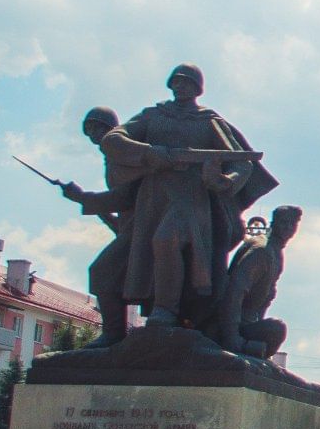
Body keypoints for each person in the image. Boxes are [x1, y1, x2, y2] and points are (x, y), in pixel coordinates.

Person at [100, 64, 276, 339]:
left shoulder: (208, 121)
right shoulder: (153, 115)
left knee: (166, 240)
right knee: (137, 254)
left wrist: (224, 181)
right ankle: (136, 322)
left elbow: (241, 162)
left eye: (187, 83)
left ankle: (165, 309)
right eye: (176, 82)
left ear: (197, 88)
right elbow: (113, 139)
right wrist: (151, 153)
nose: (180, 87)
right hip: (154, 197)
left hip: (191, 198)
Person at [59, 106, 142, 347]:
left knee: (102, 271)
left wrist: (83, 198)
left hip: (143, 227)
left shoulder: (123, 155)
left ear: (109, 128)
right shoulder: (114, 156)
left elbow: (126, 196)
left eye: (95, 128)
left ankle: (114, 333)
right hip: (131, 227)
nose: (93, 135)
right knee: (110, 275)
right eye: (89, 131)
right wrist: (94, 206)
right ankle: (115, 333)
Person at [220, 204, 301, 358]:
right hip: (232, 325)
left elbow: (265, 299)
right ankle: (246, 350)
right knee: (277, 329)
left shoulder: (276, 253)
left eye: (293, 224)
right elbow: (235, 292)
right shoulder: (262, 250)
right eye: (284, 222)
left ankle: (255, 355)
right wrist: (232, 337)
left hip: (247, 323)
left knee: (272, 331)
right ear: (273, 223)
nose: (288, 227)